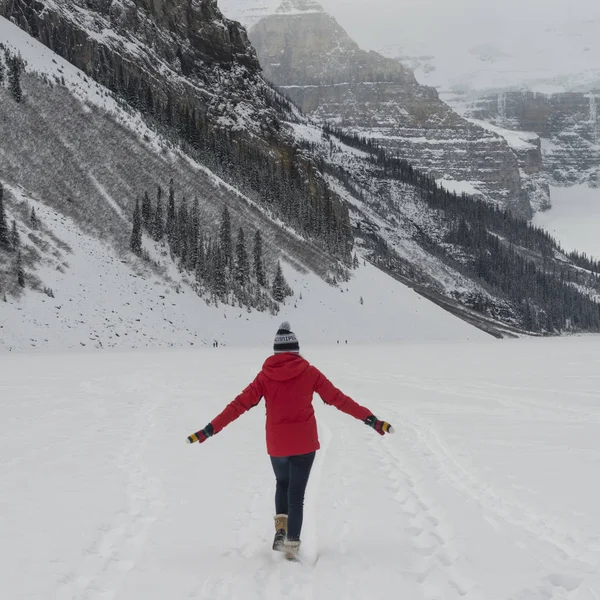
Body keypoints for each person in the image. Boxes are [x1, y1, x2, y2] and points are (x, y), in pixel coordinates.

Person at [187, 321, 393, 559]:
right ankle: (291, 544)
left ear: (275, 352)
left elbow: (238, 405)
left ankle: (281, 529)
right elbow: (339, 399)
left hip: (277, 444)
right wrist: (370, 419)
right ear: (296, 349)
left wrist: (210, 429)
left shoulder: (264, 377)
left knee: (282, 483)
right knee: (296, 494)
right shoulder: (310, 372)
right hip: (304, 444)